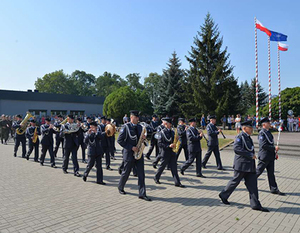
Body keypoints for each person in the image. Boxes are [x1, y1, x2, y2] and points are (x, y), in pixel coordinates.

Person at [219, 120, 269, 212]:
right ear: (244, 128)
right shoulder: (240, 136)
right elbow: (236, 148)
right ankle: (223, 194)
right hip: (241, 165)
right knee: (235, 181)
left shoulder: (248, 137)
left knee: (253, 185)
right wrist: (250, 155)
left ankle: (255, 204)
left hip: (250, 166)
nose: (252, 129)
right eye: (250, 128)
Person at [117, 110, 151, 201]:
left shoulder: (140, 127)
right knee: (126, 172)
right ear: (131, 117)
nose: (137, 119)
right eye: (136, 117)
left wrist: (144, 139)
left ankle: (142, 193)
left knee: (141, 174)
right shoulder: (126, 127)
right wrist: (131, 147)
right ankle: (120, 187)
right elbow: (120, 141)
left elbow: (141, 140)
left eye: (138, 117)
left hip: (139, 154)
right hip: (129, 154)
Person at [256, 117, 285, 195]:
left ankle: (274, 189)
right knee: (258, 172)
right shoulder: (262, 133)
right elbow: (263, 145)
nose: (270, 124)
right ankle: (249, 183)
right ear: (264, 124)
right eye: (268, 123)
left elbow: (270, 143)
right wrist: (274, 148)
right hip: (264, 156)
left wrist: (274, 151)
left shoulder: (268, 132)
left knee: (271, 173)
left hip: (270, 156)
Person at [154, 117, 185, 187]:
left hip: (172, 152)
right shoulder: (162, 132)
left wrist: (177, 141)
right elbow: (160, 144)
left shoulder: (172, 132)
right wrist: (168, 146)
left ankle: (177, 182)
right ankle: (156, 177)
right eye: (169, 123)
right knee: (162, 166)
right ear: (166, 124)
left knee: (174, 168)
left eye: (171, 123)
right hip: (165, 152)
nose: (171, 125)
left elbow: (174, 140)